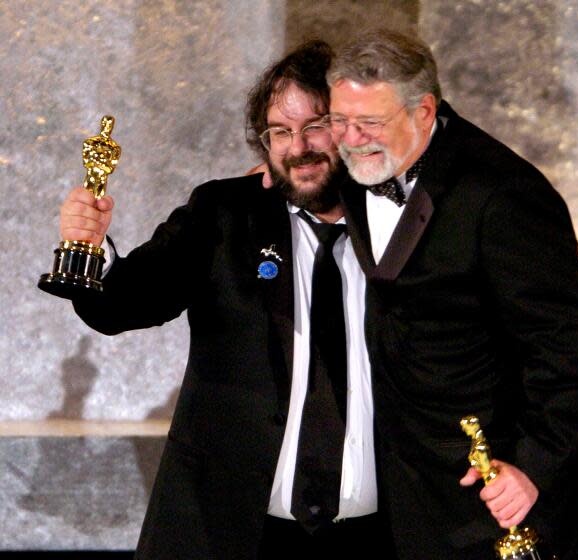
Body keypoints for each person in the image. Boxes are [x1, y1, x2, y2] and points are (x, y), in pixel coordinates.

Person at [56, 41, 394, 559]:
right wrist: (91, 248)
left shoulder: (405, 223)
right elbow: (121, 305)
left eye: (315, 125)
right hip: (229, 536)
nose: (297, 146)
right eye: (279, 132)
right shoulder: (225, 214)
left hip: (380, 539)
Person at [325, 30, 578, 559]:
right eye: (340, 120)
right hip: (401, 492)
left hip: (495, 494)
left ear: (424, 113)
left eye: (369, 123)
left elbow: (569, 344)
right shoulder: (357, 169)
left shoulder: (504, 194)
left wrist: (533, 466)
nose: (351, 138)